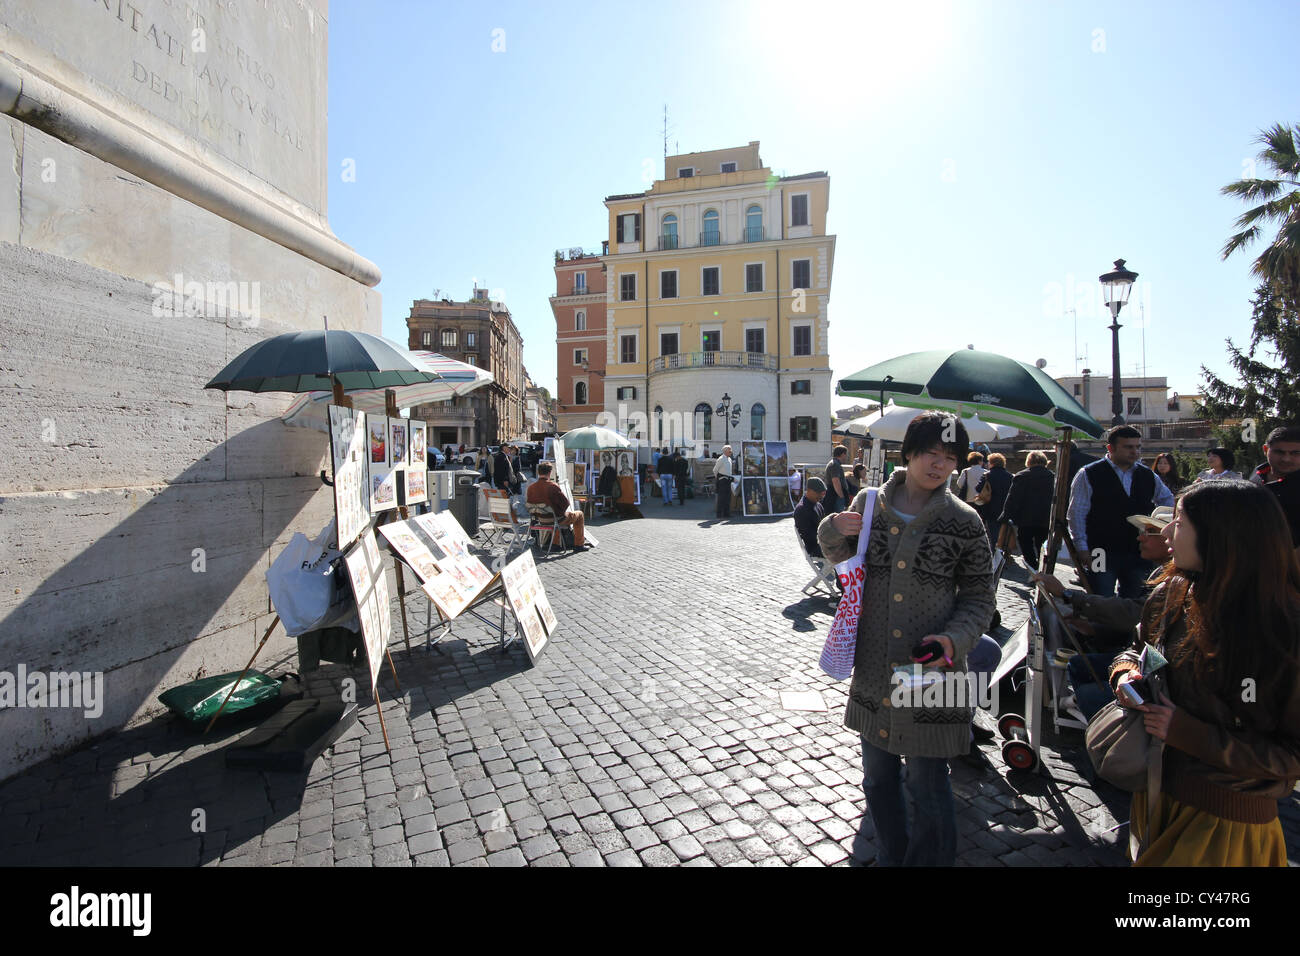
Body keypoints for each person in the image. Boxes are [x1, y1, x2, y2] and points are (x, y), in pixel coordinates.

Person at [817, 411, 995, 866]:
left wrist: (953, 640)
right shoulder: (870, 501)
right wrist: (834, 528)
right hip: (875, 669)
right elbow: (837, 555)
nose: (939, 464)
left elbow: (979, 598)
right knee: (877, 780)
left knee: (929, 784)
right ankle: (892, 857)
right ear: (911, 452)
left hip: (933, 673)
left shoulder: (966, 521)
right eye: (932, 453)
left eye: (950, 457)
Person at [1109, 480, 1300, 866]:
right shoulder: (1173, 591)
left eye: (1178, 522)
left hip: (1225, 825)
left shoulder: (1285, 633)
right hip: (1156, 794)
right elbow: (1139, 649)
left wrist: (1183, 731)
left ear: (1222, 538)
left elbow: (1290, 756)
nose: (1164, 532)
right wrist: (1126, 673)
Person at [1033, 519, 1173, 720]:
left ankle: (1107, 724)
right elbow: (1136, 625)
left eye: (1150, 532)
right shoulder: (1160, 573)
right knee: (1078, 665)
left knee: (1088, 695)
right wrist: (1095, 629)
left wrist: (1069, 595)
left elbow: (1133, 614)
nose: (1140, 537)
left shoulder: (1172, 580)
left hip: (1156, 675)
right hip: (1144, 663)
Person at [1067, 425, 1175, 599]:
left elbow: (1167, 500)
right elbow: (1076, 514)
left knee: (1135, 600)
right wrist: (1082, 548)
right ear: (1111, 448)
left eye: (1138, 447)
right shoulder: (1088, 473)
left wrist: (1154, 526)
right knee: (1100, 599)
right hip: (1099, 550)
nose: (1135, 451)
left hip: (1138, 550)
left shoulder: (1147, 475)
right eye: (1128, 447)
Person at [999, 451, 1055, 570]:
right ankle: (1042, 567)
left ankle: (1032, 566)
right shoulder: (1053, 476)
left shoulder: (1022, 476)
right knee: (1042, 544)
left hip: (1026, 518)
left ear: (1029, 461)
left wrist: (1005, 516)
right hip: (1046, 517)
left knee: (1025, 543)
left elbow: (1013, 499)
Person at [1249, 425, 1300, 553]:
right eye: (1279, 452)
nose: (1286, 459)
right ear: (1265, 450)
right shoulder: (1257, 474)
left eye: (1295, 453)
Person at [526, 461, 589, 550]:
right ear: (549, 472)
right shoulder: (552, 486)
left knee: (555, 513)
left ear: (538, 472)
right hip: (554, 519)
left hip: (540, 519)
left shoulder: (531, 487)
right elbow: (565, 503)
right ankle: (579, 544)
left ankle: (556, 544)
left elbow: (529, 504)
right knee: (579, 515)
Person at [973, 453, 1013, 546]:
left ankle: (995, 553)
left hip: (990, 507)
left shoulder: (987, 475)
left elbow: (978, 489)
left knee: (993, 532)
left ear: (992, 463)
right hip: (1005, 507)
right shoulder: (1010, 476)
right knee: (1004, 531)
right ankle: (1003, 550)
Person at [793, 476, 826, 557]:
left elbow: (824, 525)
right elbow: (809, 537)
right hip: (814, 547)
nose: (821, 496)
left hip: (822, 543)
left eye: (823, 494)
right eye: (819, 493)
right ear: (809, 490)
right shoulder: (802, 509)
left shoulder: (818, 505)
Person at [824, 445, 849, 513]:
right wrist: (842, 497)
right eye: (846, 454)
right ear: (842, 454)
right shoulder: (835, 465)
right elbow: (836, 481)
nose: (846, 456)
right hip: (836, 497)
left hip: (835, 495)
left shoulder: (835, 464)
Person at [714, 445, 735, 519]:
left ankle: (726, 513)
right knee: (721, 498)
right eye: (730, 451)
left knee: (728, 497)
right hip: (722, 480)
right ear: (725, 451)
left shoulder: (729, 459)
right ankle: (719, 514)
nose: (731, 452)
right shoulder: (721, 459)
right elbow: (715, 470)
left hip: (728, 480)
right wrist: (719, 478)